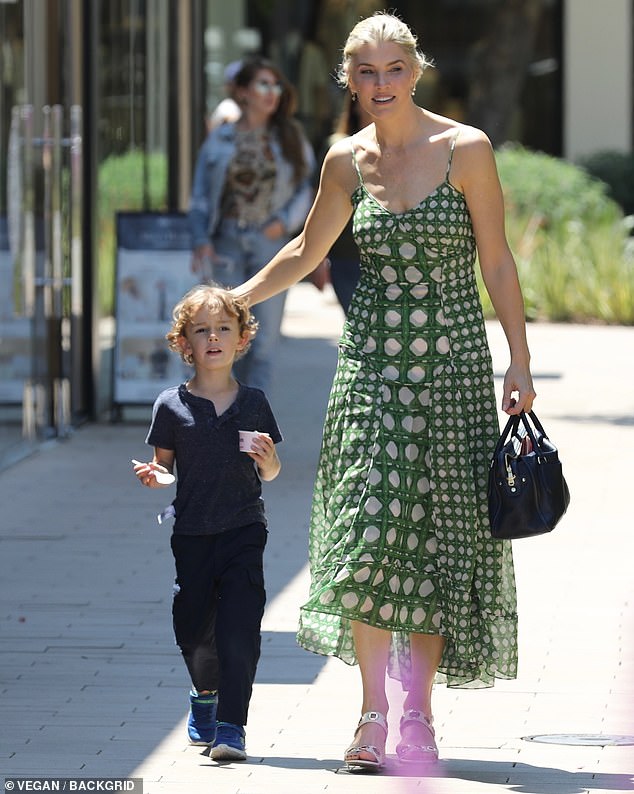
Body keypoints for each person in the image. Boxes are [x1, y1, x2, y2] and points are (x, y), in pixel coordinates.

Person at [230, 11, 536, 771]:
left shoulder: (466, 150)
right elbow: (306, 250)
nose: (380, 85)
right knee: (367, 538)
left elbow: (496, 262)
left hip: (454, 372)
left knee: (433, 543)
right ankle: (372, 717)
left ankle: (420, 722)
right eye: (365, 72)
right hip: (370, 368)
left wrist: (519, 361)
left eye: (393, 69)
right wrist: (237, 299)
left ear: (416, 70)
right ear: (348, 80)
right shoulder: (345, 160)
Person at [132, 284, 282, 761]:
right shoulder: (170, 406)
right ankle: (204, 695)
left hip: (244, 530)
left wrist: (270, 459)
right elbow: (165, 468)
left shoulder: (254, 402)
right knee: (193, 627)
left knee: (240, 629)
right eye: (201, 331)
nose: (213, 338)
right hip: (193, 534)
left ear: (241, 339)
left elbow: (271, 472)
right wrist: (155, 477)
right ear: (184, 344)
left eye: (223, 328)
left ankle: (232, 727)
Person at [189, 57, 315, 393]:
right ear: (243, 92)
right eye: (262, 84)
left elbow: (307, 188)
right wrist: (201, 239)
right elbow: (200, 195)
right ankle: (224, 418)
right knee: (225, 336)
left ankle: (254, 427)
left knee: (264, 341)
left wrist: (285, 222)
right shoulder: (220, 140)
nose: (271, 92)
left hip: (269, 244)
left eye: (275, 85)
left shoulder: (289, 137)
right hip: (227, 243)